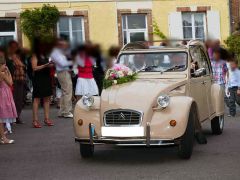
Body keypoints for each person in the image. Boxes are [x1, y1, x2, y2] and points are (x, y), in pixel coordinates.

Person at [31, 39, 54, 128]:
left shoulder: (45, 55)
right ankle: (35, 120)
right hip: (38, 79)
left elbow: (48, 65)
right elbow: (34, 68)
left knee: (47, 99)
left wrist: (51, 64)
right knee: (37, 99)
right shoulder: (35, 55)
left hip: (46, 78)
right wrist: (45, 65)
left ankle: (47, 119)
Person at [50, 39, 73, 118]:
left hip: (63, 72)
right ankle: (66, 111)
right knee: (67, 91)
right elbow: (63, 64)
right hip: (63, 72)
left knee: (64, 92)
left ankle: (62, 111)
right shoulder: (57, 53)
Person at [0, 50, 16, 144]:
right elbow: (11, 82)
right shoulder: (2, 74)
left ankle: (2, 136)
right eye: (4, 65)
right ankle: (3, 138)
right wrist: (8, 73)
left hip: (3, 93)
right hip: (3, 95)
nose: (5, 66)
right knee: (1, 118)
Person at [12, 49, 26, 124]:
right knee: (16, 99)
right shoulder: (14, 57)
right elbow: (19, 65)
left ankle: (17, 116)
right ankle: (15, 117)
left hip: (21, 81)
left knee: (20, 100)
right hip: (15, 81)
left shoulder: (19, 58)